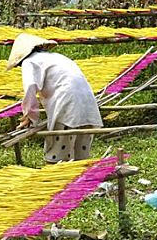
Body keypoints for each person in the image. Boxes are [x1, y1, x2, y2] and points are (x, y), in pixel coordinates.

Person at [6, 33, 103, 163]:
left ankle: (56, 181)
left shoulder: (30, 62)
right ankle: (80, 182)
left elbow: (30, 89)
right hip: (87, 103)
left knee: (57, 154)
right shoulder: (57, 57)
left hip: (67, 103)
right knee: (81, 157)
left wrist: (29, 116)